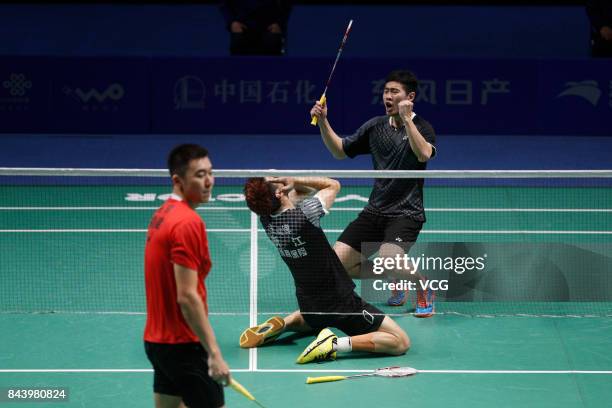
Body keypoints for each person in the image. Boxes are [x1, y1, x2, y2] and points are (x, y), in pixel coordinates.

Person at [240, 176, 410, 364]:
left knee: (314, 317)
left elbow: (301, 192)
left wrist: (289, 186)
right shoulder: (305, 214)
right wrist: (293, 179)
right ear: (279, 193)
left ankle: (285, 324)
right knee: (400, 341)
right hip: (341, 302)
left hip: (308, 301)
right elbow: (333, 185)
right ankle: (334, 344)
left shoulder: (267, 219)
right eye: (273, 179)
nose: (277, 178)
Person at [310, 69, 436, 317]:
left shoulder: (423, 127)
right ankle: (396, 277)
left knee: (391, 257)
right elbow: (340, 151)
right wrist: (324, 121)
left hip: (406, 213)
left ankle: (423, 285)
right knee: (340, 263)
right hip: (374, 212)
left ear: (409, 96)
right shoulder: (375, 126)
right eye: (386, 91)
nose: (387, 96)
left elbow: (423, 154)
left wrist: (407, 119)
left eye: (394, 92)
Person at [144, 144, 230, 408]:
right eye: (199, 175)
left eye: (210, 173)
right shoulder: (187, 223)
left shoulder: (163, 214)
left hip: (157, 342)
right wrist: (214, 353)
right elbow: (187, 296)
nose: (208, 182)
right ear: (178, 181)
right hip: (184, 344)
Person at [220, 0, 292, 56]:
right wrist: (232, 22)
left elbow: (286, 4)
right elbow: (224, 4)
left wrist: (280, 24)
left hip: (269, 29)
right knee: (239, 67)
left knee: (271, 67)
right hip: (242, 28)